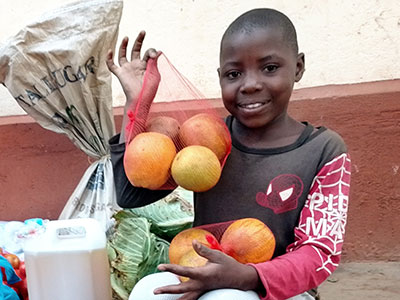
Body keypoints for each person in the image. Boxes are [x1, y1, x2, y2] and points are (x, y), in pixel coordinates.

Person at [107, 8, 351, 300]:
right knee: (148, 292)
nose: (250, 84)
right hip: (204, 273)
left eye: (270, 68)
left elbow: (319, 252)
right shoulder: (204, 141)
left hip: (279, 289)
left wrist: (248, 277)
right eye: (234, 74)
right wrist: (138, 103)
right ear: (220, 77)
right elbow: (130, 195)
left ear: (297, 67)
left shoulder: (324, 150)